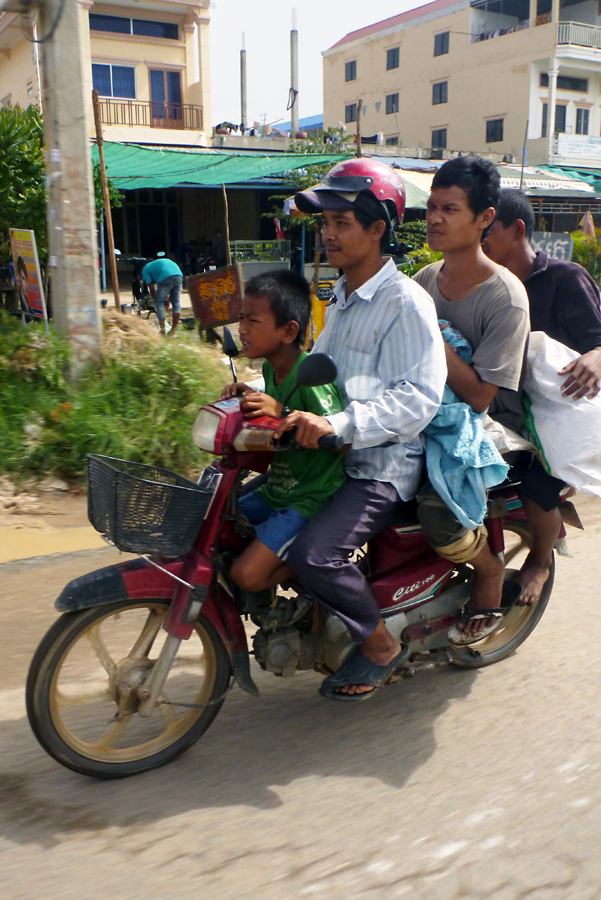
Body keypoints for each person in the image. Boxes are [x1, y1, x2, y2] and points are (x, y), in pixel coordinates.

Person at [274, 158, 446, 700]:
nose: (327, 234)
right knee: (245, 514)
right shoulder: (343, 299)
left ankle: (379, 645)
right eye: (325, 223)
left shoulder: (404, 303)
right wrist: (266, 398)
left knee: (313, 553)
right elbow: (315, 372)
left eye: (341, 223)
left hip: (382, 466)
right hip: (332, 457)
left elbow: (417, 397)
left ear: (378, 229)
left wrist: (339, 424)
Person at [413, 156, 530, 643]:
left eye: (450, 209)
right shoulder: (422, 280)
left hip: (482, 428)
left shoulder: (505, 297)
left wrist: (431, 340)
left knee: (438, 511)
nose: (435, 218)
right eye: (432, 207)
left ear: (485, 218)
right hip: (419, 410)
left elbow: (483, 396)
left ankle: (488, 570)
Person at [482, 188, 601, 604]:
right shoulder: (485, 286)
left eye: (487, 230)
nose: (480, 239)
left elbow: (599, 341)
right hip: (502, 408)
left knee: (533, 484)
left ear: (516, 230)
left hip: (559, 415)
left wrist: (597, 357)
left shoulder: (565, 279)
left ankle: (539, 559)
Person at [220, 270, 346, 594]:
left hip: (309, 499)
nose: (242, 329)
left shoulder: (310, 375)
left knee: (247, 575)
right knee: (215, 526)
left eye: (253, 321)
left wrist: (284, 414)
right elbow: (276, 403)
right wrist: (247, 392)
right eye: (241, 318)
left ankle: (305, 571)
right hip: (277, 490)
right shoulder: (269, 369)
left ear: (289, 331)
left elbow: (340, 438)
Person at [141, 253, 183, 336]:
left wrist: (156, 300)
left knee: (159, 302)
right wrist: (168, 300)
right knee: (176, 303)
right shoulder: (155, 265)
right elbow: (172, 285)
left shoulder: (145, 270)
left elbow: (152, 289)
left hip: (165, 276)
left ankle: (163, 331)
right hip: (179, 274)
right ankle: (173, 330)